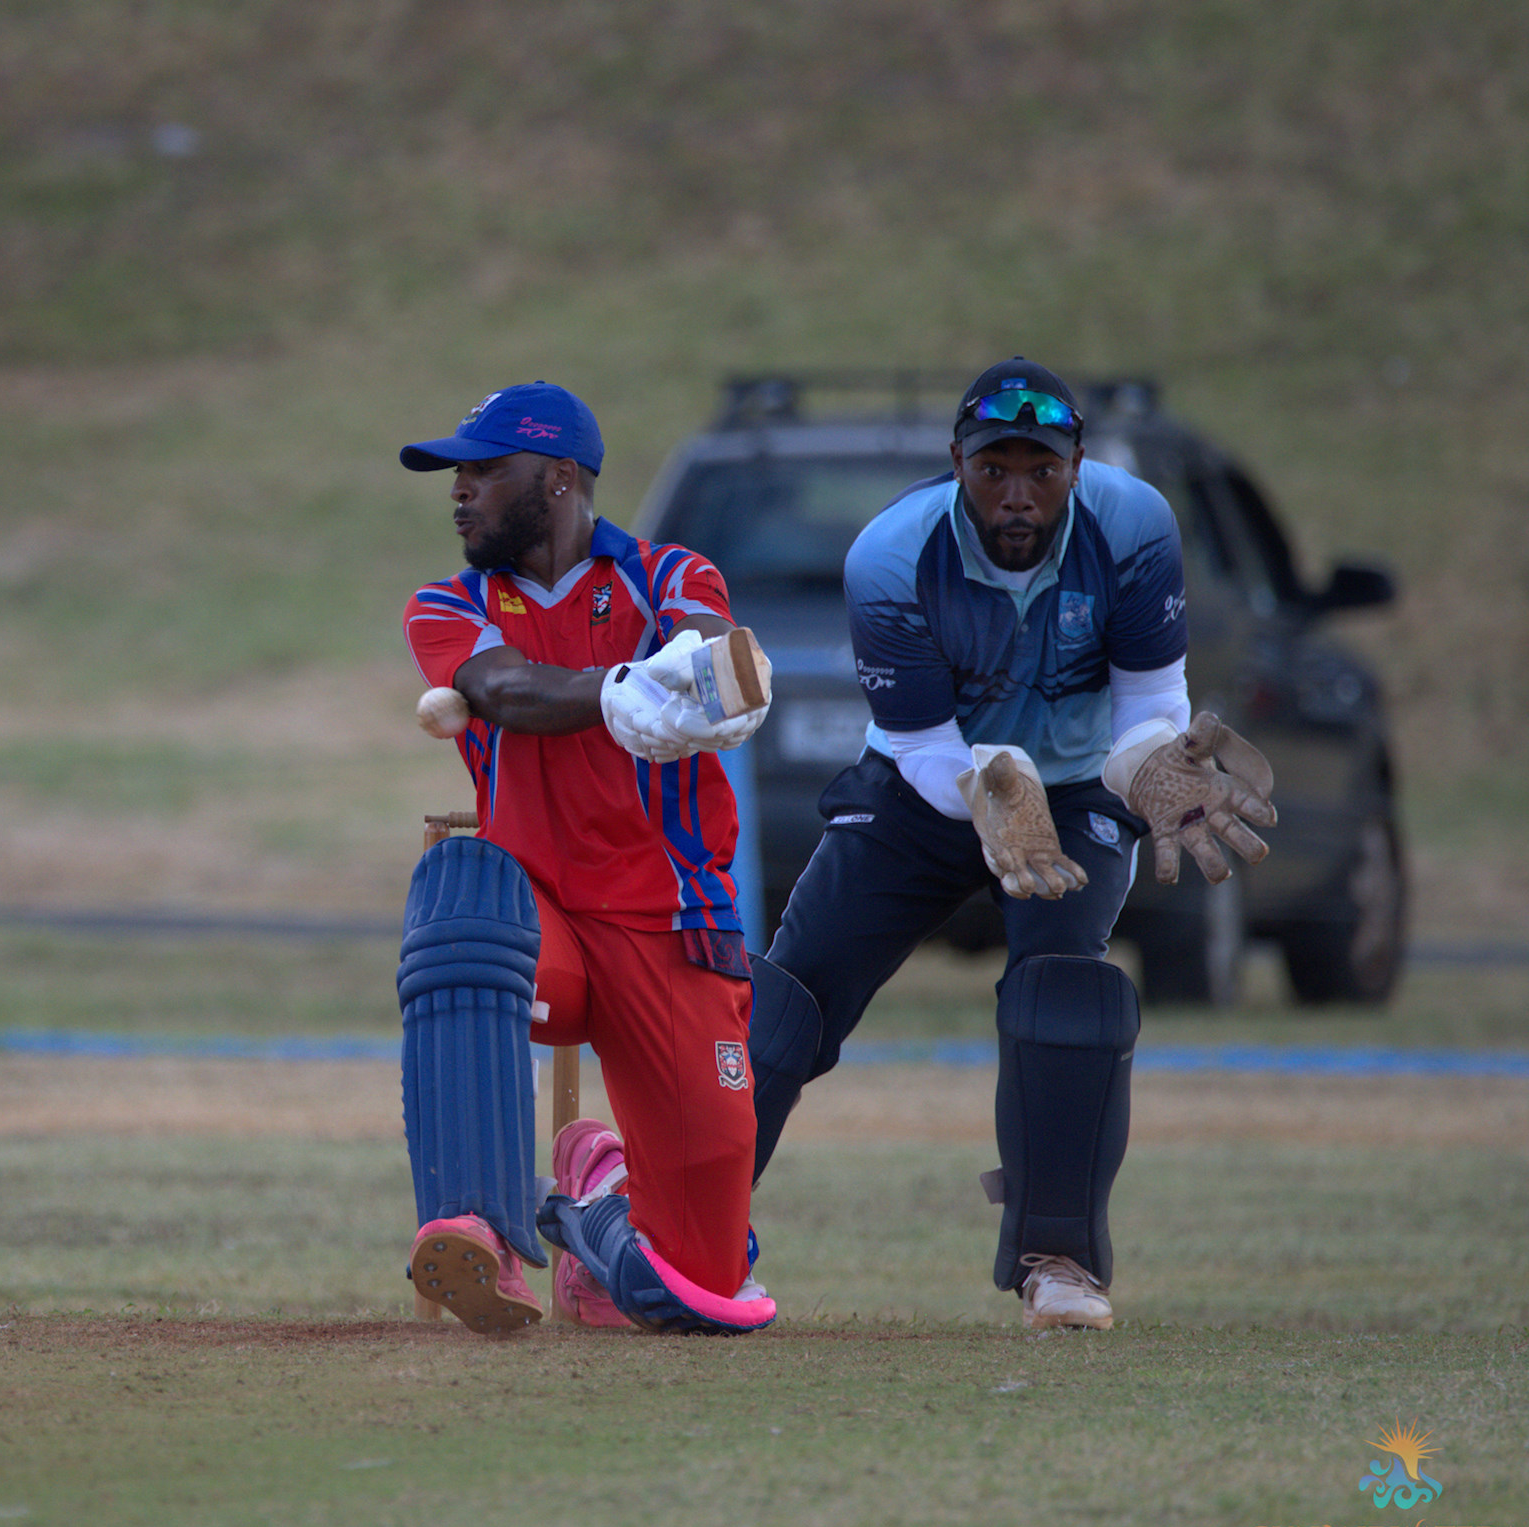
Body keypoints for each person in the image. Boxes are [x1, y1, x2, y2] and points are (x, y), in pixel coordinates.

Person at [747, 358, 1277, 1331]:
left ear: (1079, 463)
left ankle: (1060, 1261)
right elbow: (913, 739)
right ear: (957, 463)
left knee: (1065, 997)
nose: (1018, 494)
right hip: (926, 780)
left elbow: (1149, 707)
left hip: (1074, 790)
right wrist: (983, 785)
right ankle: (679, 1232)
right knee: (788, 996)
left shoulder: (1135, 527)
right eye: (995, 469)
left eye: (1042, 467)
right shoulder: (888, 554)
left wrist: (1155, 769)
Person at [396, 379, 776, 1336]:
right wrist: (622, 692)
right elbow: (508, 692)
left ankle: (595, 1202)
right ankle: (476, 1229)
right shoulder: (448, 603)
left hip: (670, 918)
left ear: (558, 477)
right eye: (456, 475)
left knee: (699, 1293)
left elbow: (704, 656)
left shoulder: (668, 573)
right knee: (459, 907)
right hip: (538, 918)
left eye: (483, 470)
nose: (461, 491)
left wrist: (685, 676)